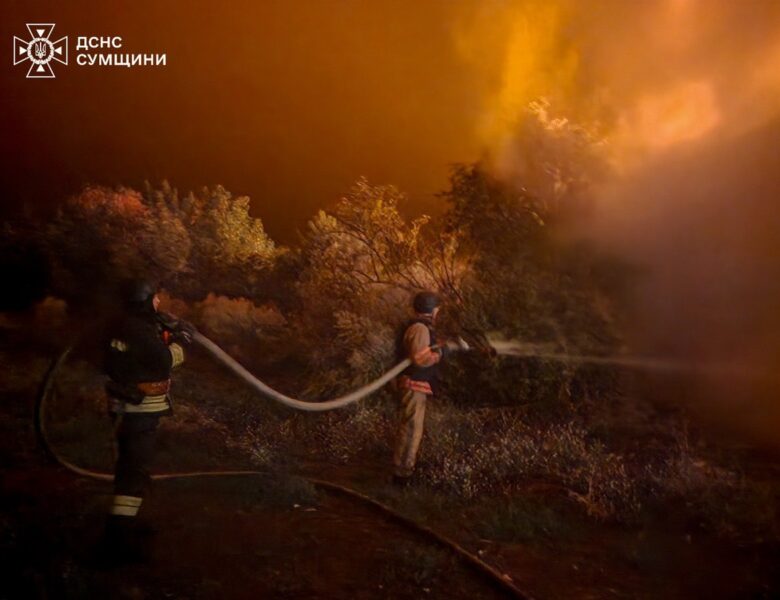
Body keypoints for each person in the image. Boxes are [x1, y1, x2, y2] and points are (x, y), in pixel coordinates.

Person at [98, 280, 194, 563]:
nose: (159, 303)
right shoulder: (138, 331)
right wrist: (183, 343)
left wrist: (166, 329)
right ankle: (116, 542)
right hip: (139, 412)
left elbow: (136, 354)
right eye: (155, 299)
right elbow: (163, 360)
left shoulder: (120, 325)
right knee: (133, 473)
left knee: (129, 465)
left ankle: (126, 525)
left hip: (124, 408)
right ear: (144, 301)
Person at [393, 291, 465, 484]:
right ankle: (402, 476)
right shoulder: (420, 329)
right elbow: (420, 359)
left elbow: (423, 351)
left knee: (412, 427)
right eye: (437, 309)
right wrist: (440, 354)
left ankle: (404, 471)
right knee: (411, 428)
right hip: (413, 386)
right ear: (432, 310)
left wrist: (441, 347)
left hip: (415, 386)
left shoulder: (420, 328)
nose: (437, 313)